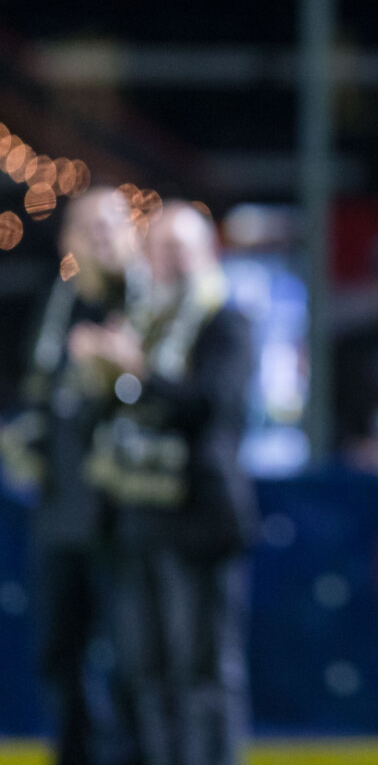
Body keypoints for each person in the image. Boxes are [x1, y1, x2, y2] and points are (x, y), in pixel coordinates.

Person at [73, 201, 258, 765]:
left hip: (199, 521)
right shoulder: (145, 319)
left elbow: (213, 408)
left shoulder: (225, 320)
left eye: (180, 248)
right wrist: (102, 373)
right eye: (159, 248)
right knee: (148, 674)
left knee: (202, 673)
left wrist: (136, 371)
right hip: (139, 517)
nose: (168, 260)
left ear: (206, 254)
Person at [0, 185, 141, 765]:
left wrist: (120, 366)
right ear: (68, 241)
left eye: (113, 225)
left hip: (130, 513)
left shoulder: (148, 299)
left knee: (135, 658)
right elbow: (37, 393)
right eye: (90, 228)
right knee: (61, 652)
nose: (103, 237)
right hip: (62, 509)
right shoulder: (57, 306)